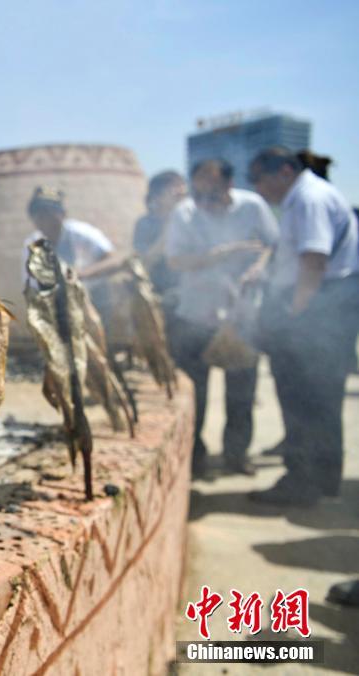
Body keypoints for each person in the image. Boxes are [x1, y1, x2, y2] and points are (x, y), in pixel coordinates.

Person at [247, 147, 359, 506]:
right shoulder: (305, 198)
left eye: (260, 180)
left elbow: (313, 259)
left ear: (283, 171)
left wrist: (294, 316)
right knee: (321, 400)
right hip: (324, 304)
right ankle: (322, 479)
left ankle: (303, 482)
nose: (259, 190)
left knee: (304, 398)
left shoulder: (309, 198)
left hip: (316, 305)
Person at [165, 159, 278, 477]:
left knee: (241, 394)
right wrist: (223, 254)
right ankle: (195, 459)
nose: (204, 200)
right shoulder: (185, 213)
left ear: (229, 185)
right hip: (196, 315)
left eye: (212, 192)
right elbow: (175, 260)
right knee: (194, 395)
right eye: (199, 193)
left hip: (242, 316)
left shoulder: (253, 207)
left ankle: (236, 455)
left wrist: (258, 266)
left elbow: (272, 245)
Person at [23, 186, 114, 280]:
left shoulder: (80, 233)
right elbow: (31, 281)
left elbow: (112, 259)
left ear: (63, 215)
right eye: (39, 216)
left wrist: (83, 274)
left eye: (49, 213)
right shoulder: (33, 244)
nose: (45, 220)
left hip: (94, 290)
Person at [133, 170, 187, 299]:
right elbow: (145, 263)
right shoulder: (145, 224)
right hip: (160, 293)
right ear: (157, 196)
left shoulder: (191, 221)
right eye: (173, 192)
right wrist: (170, 227)